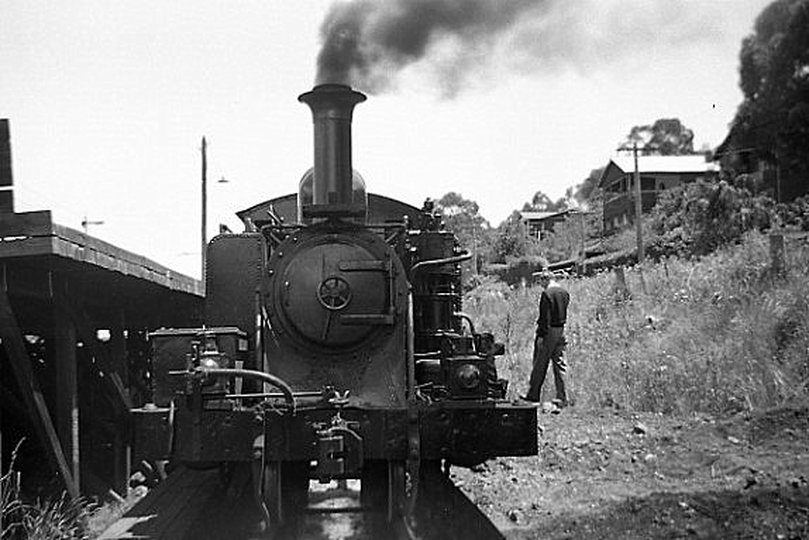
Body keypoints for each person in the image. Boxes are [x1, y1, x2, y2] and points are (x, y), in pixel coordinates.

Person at [522, 270, 570, 407]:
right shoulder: (564, 293)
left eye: (541, 281)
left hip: (549, 332)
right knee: (560, 364)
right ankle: (563, 397)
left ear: (545, 279)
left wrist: (541, 336)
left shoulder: (547, 294)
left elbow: (545, 318)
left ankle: (533, 395)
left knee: (540, 364)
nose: (540, 285)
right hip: (561, 329)